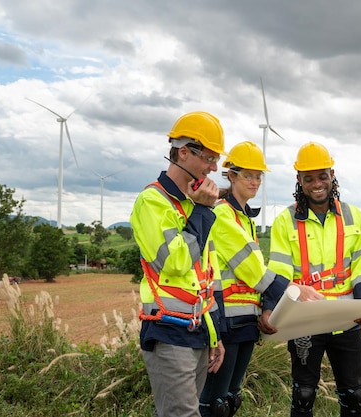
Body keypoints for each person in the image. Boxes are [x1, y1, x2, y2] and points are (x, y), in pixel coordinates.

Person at [200, 141, 323, 417]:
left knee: (230, 400)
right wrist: (293, 289)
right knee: (215, 404)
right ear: (231, 175)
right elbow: (252, 269)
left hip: (246, 320)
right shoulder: (222, 214)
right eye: (248, 175)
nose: (255, 182)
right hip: (227, 320)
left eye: (258, 176)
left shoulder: (245, 218)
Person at [267, 142, 361, 417]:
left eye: (322, 176)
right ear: (299, 181)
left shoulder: (353, 216)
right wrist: (273, 306)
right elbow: (279, 273)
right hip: (306, 321)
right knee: (303, 396)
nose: (317, 184)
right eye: (309, 178)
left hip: (346, 320)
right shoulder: (285, 221)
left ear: (332, 174)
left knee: (355, 395)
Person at [130, 111, 227, 417]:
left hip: (198, 331)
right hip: (169, 331)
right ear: (183, 152)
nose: (213, 168)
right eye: (209, 158)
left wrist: (216, 334)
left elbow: (203, 279)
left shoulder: (193, 204)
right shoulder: (152, 201)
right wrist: (202, 211)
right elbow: (173, 262)